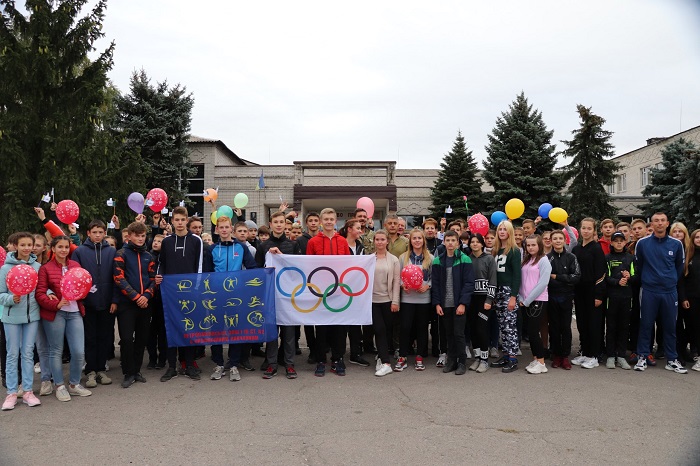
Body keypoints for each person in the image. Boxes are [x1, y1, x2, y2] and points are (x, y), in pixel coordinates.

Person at [36, 236, 92, 401]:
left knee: (78, 351)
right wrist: (56, 304)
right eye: (60, 247)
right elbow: (40, 293)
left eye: (66, 247)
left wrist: (82, 293)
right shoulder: (46, 268)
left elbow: (83, 286)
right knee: (56, 350)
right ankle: (59, 385)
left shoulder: (75, 266)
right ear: (53, 248)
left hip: (75, 312)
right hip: (56, 314)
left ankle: (74, 384)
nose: (63, 250)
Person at [205, 217, 258, 382]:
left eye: (227, 227)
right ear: (217, 230)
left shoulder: (241, 247)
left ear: (231, 229)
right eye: (221, 227)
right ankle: (219, 363)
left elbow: (252, 268)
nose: (224, 230)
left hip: (236, 295)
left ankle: (234, 364)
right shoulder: (211, 249)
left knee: (235, 328)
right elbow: (206, 272)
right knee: (217, 329)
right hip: (217, 296)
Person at [156, 206, 205, 382]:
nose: (179, 223)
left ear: (187, 221)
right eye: (176, 220)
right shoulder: (167, 241)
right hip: (170, 293)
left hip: (190, 292)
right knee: (171, 328)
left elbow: (199, 266)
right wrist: (159, 275)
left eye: (182, 220)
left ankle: (189, 365)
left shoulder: (196, 240)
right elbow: (161, 263)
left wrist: (196, 289)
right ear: (172, 221)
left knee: (189, 327)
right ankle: (171, 366)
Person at [634, 213, 687, 373]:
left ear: (667, 223)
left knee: (670, 326)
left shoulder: (676, 244)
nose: (659, 223)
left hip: (669, 292)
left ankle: (672, 359)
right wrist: (650, 279)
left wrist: (669, 280)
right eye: (656, 221)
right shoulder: (642, 244)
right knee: (646, 325)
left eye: (662, 220)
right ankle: (642, 356)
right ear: (652, 223)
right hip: (649, 291)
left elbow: (679, 268)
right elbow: (639, 265)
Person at [256, 211, 302, 379]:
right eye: (275, 222)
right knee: (272, 333)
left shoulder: (293, 245)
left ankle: (289, 364)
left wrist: (283, 259)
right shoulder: (263, 246)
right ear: (271, 224)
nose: (279, 224)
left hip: (288, 296)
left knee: (289, 333)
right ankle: (272, 364)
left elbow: (298, 270)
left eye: (281, 222)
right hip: (270, 296)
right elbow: (257, 271)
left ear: (285, 224)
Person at [72, 220, 116, 389]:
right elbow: (76, 276)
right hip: (88, 303)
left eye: (101, 232)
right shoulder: (80, 252)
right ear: (88, 233)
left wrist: (114, 300)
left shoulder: (111, 252)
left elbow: (116, 278)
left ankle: (100, 369)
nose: (98, 235)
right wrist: (81, 300)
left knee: (104, 336)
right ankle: (90, 371)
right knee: (90, 337)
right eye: (95, 232)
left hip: (107, 303)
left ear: (105, 233)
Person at [306, 208, 350, 377]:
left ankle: (338, 359)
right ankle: (321, 360)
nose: (329, 221)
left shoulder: (343, 241)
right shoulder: (313, 242)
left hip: (339, 291)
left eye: (332, 219)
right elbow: (308, 267)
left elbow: (348, 265)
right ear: (321, 221)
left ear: (335, 221)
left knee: (339, 327)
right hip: (321, 292)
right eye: (326, 219)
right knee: (322, 328)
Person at [0, 232, 42, 410]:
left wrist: (49, 294)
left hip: (32, 316)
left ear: (33, 246)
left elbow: (42, 289)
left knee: (27, 353)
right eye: (22, 245)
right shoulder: (5, 268)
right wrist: (11, 299)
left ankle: (27, 391)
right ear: (15, 246)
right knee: (12, 353)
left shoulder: (38, 267)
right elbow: (1, 294)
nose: (26, 248)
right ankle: (11, 393)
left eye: (29, 245)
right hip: (11, 317)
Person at [113, 222, 156, 388]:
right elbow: (119, 278)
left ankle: (137, 370)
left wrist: (145, 296)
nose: (140, 238)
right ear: (129, 236)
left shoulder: (149, 256)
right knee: (126, 339)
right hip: (127, 305)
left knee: (142, 339)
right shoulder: (121, 254)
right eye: (136, 235)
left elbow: (153, 280)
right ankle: (128, 372)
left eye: (142, 235)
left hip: (145, 304)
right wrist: (136, 296)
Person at [431, 230, 474, 375]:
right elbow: (435, 284)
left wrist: (463, 303)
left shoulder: (465, 259)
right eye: (447, 240)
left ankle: (462, 362)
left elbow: (468, 284)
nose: (450, 243)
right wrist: (437, 303)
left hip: (458, 304)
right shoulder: (438, 260)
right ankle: (451, 361)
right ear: (444, 242)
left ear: (458, 243)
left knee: (459, 334)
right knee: (448, 334)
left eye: (453, 240)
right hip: (445, 304)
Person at [396, 228, 433, 372]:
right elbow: (398, 276)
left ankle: (419, 357)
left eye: (419, 238)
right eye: (414, 238)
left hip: (423, 299)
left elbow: (434, 278)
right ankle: (403, 357)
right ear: (410, 241)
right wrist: (402, 285)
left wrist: (427, 286)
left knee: (422, 329)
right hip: (407, 299)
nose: (417, 241)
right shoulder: (403, 257)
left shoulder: (430, 257)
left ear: (423, 240)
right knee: (405, 328)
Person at [571, 218, 606, 369]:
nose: (586, 231)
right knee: (582, 323)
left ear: (594, 231)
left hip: (593, 292)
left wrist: (599, 295)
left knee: (594, 324)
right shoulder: (576, 249)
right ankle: (585, 352)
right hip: (579, 292)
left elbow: (601, 274)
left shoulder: (596, 249)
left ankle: (594, 355)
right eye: (583, 228)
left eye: (589, 228)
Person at [490, 221, 522, 373]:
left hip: (509, 291)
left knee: (510, 327)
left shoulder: (514, 251)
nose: (502, 232)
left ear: (510, 232)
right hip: (498, 291)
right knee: (502, 326)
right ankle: (506, 355)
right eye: (499, 229)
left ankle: (513, 358)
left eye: (505, 229)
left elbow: (517, 275)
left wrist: (513, 296)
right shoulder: (495, 250)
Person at [547, 230, 581, 370]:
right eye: (555, 238)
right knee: (554, 327)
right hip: (551, 297)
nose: (558, 241)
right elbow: (545, 279)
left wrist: (558, 277)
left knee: (565, 327)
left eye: (560, 238)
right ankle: (556, 355)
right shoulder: (547, 258)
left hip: (567, 297)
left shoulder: (571, 257)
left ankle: (565, 356)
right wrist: (563, 279)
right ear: (551, 241)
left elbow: (576, 277)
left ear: (565, 240)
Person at [519, 235, 552, 374]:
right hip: (525, 301)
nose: (531, 247)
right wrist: (521, 297)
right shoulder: (527, 260)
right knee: (530, 331)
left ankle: (541, 362)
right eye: (528, 245)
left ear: (539, 245)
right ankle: (535, 358)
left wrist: (528, 300)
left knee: (533, 332)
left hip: (538, 300)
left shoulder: (544, 261)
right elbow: (522, 281)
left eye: (533, 245)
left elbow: (543, 283)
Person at [371, 230, 401, 377]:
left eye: (383, 239)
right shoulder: (369, 259)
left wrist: (395, 301)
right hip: (372, 301)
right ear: (374, 241)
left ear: (387, 241)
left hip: (388, 301)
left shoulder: (394, 260)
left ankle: (382, 356)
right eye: (377, 239)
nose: (380, 242)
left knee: (387, 331)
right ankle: (386, 363)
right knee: (379, 329)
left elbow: (396, 282)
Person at [604, 232, 636, 370]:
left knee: (624, 327)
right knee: (611, 327)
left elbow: (636, 277)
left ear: (625, 242)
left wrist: (629, 277)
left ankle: (621, 356)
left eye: (621, 241)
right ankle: (611, 356)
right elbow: (606, 277)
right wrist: (618, 282)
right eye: (615, 241)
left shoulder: (631, 258)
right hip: (611, 298)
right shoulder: (607, 258)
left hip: (626, 298)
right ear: (611, 243)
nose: (618, 243)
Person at [467, 233, 496, 373]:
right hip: (471, 299)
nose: (474, 244)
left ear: (482, 243)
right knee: (473, 329)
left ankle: (485, 360)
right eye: (472, 242)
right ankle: (477, 357)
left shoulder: (489, 259)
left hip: (484, 299)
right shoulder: (467, 259)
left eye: (477, 242)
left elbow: (493, 280)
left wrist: (489, 300)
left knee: (481, 329)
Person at [343, 219, 370, 367]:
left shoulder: (360, 246)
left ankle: (355, 353)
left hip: (357, 290)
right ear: (349, 229)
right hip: (340, 289)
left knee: (355, 324)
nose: (360, 230)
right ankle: (338, 354)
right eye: (358, 228)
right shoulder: (340, 243)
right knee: (341, 324)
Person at [146, 234, 167, 370]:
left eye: (160, 241)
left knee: (163, 330)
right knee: (150, 331)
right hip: (150, 298)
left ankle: (162, 358)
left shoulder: (167, 259)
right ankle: (152, 357)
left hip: (164, 299)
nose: (156, 243)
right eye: (155, 240)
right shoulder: (148, 257)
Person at [683, 229, 700, 371]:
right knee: (693, 327)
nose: (699, 239)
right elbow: (683, 280)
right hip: (692, 298)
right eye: (697, 237)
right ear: (693, 239)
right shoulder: (689, 256)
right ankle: (696, 353)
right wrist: (683, 297)